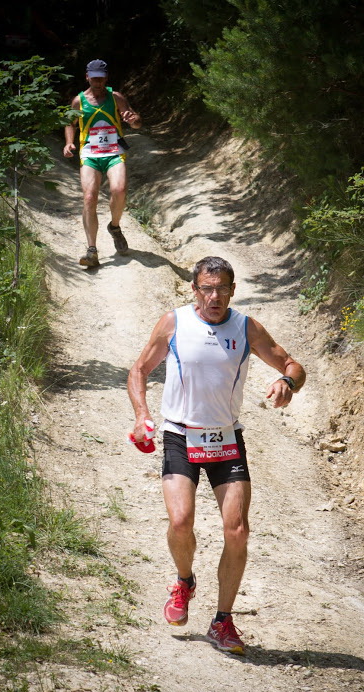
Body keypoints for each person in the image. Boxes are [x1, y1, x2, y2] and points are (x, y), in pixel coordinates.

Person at [127, 256, 306, 655]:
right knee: (180, 521)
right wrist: (142, 415)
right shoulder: (173, 322)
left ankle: (223, 621)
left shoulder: (245, 327)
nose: (214, 296)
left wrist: (286, 381)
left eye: (222, 288)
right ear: (194, 289)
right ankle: (184, 580)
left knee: (238, 530)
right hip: (179, 435)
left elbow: (293, 364)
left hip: (225, 440)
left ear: (232, 290)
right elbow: (138, 370)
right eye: (206, 288)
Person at [63, 59, 142, 267]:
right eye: (94, 77)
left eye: (101, 78)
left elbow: (136, 122)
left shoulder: (116, 98)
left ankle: (114, 227)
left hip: (114, 151)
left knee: (119, 189)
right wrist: (69, 143)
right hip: (89, 153)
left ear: (106, 78)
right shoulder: (78, 101)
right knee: (89, 197)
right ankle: (91, 250)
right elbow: (69, 123)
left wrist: (133, 119)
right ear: (87, 77)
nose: (97, 81)